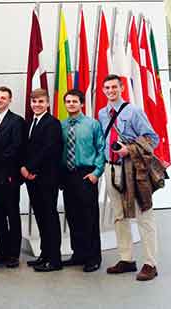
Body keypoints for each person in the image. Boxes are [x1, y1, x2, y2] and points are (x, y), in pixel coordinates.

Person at [98, 74, 160, 281]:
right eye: (107, 88)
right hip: (111, 168)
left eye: (114, 87)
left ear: (122, 88)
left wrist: (130, 149)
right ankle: (126, 259)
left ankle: (150, 263)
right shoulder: (102, 113)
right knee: (118, 215)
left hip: (134, 169)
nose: (110, 91)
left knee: (144, 214)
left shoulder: (134, 111)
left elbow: (153, 139)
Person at [59, 89, 105, 273]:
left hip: (86, 174)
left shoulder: (92, 124)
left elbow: (101, 149)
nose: (71, 104)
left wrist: (97, 172)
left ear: (82, 103)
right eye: (68, 101)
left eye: (74, 101)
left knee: (89, 217)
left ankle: (93, 258)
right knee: (72, 216)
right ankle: (78, 254)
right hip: (67, 175)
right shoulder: (61, 125)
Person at [21, 88, 64, 272]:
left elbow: (49, 150)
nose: (36, 105)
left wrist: (30, 169)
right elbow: (27, 148)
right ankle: (44, 254)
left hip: (46, 178)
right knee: (40, 217)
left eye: (40, 102)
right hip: (32, 179)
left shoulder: (52, 123)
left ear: (47, 103)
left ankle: (54, 259)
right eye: (34, 102)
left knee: (50, 217)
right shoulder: (31, 122)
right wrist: (23, 168)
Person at [0, 86, 26, 268]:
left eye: (3, 98)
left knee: (12, 215)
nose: (0, 100)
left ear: (10, 100)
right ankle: (2, 251)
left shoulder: (17, 121)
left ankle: (14, 254)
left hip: (9, 177)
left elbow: (16, 148)